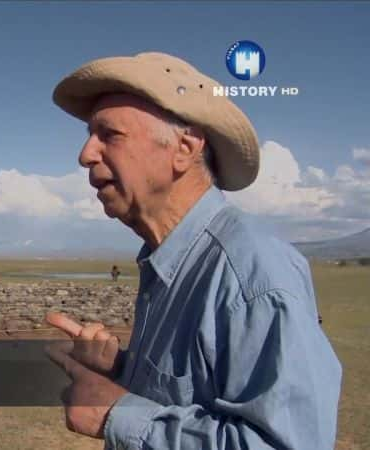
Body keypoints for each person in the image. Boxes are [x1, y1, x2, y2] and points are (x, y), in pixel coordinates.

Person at [44, 52, 342, 449]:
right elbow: (190, 396)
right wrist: (120, 370)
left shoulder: (251, 274)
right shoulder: (170, 262)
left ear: (184, 149)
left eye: (109, 134)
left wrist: (115, 413)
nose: (85, 155)